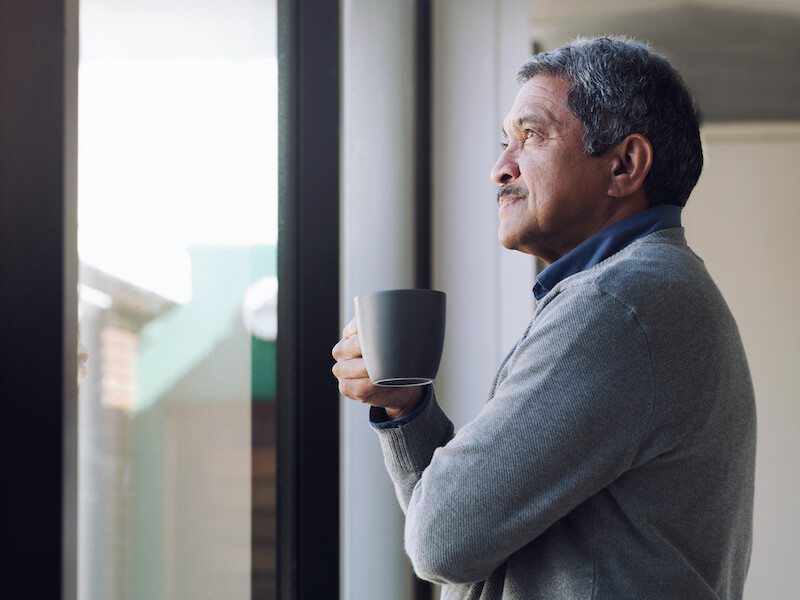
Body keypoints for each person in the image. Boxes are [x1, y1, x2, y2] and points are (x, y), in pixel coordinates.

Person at [332, 36, 756, 599]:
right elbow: (470, 538)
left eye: (530, 136)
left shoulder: (617, 306)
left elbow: (442, 541)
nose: (499, 169)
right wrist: (405, 406)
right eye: (504, 142)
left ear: (624, 165)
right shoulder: (649, 291)